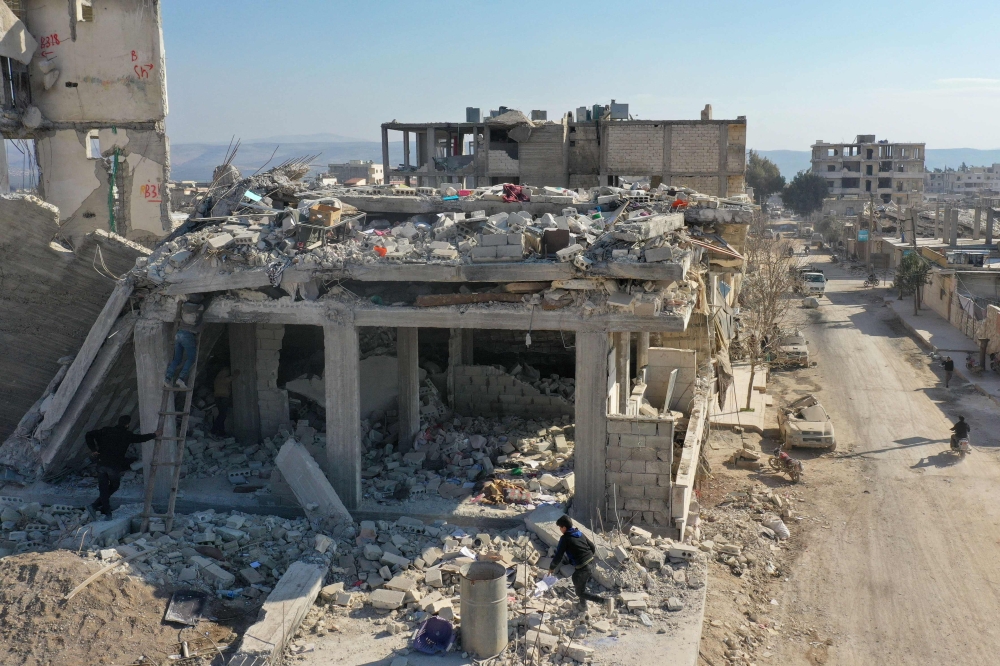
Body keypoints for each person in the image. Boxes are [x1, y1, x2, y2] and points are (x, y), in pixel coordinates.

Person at [85, 416, 159, 520]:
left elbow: (89, 434)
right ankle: (102, 510)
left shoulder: (106, 430)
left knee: (103, 489)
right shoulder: (127, 435)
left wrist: (93, 449)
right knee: (114, 486)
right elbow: (141, 438)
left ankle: (100, 509)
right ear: (127, 425)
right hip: (113, 466)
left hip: (101, 464)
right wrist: (154, 434)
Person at [548, 515, 610, 612]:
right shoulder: (579, 533)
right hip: (592, 563)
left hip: (583, 567)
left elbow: (558, 556)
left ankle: (604, 601)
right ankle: (583, 605)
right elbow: (592, 546)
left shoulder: (565, 539)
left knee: (579, 591)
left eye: (560, 527)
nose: (560, 529)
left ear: (564, 527)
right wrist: (588, 557)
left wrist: (552, 567)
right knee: (578, 581)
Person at [164, 294, 205, 389]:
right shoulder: (200, 307)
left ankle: (167, 378)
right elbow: (205, 304)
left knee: (177, 359)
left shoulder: (184, 305)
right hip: (187, 334)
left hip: (178, 334)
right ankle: (181, 378)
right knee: (191, 358)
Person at [212, 366, 233, 436]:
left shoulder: (217, 378)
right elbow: (232, 377)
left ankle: (221, 431)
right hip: (224, 397)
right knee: (222, 415)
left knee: (221, 414)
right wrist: (237, 372)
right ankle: (214, 429)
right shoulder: (224, 378)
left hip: (217, 397)